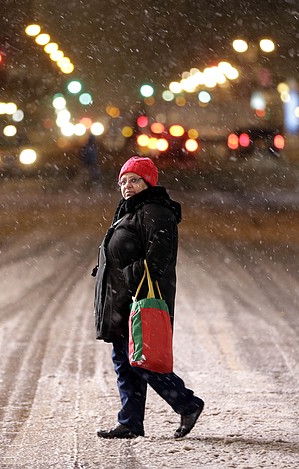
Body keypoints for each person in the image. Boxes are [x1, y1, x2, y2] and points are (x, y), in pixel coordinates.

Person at [92, 156, 204, 439]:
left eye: (134, 180)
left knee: (141, 360)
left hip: (140, 298)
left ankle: (187, 404)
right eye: (123, 181)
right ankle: (130, 422)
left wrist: (129, 275)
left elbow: (159, 258)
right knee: (124, 361)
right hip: (122, 299)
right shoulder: (130, 210)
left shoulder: (155, 211)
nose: (127, 186)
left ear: (148, 182)